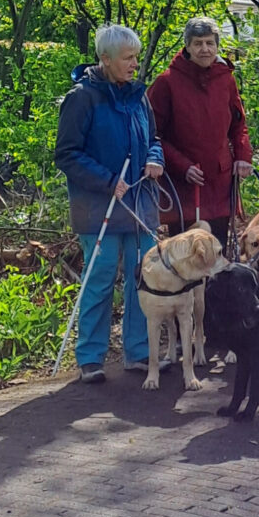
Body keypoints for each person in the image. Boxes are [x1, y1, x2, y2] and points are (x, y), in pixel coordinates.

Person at [55, 24, 165, 384]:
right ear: (105, 59)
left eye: (136, 57)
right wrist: (105, 180)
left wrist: (155, 158)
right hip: (98, 207)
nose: (135, 64)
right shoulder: (81, 97)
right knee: (99, 280)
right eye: (128, 58)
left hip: (140, 203)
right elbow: (67, 154)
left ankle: (139, 352)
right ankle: (90, 357)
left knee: (143, 279)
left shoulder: (138, 96)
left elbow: (153, 138)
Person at [147, 17, 253, 248]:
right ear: (187, 46)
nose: (204, 49)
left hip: (220, 183)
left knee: (218, 252)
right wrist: (182, 166)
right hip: (184, 187)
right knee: (186, 255)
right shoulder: (167, 82)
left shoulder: (226, 79)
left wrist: (243, 157)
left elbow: (238, 125)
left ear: (217, 46)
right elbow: (152, 134)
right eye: (198, 43)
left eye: (209, 43)